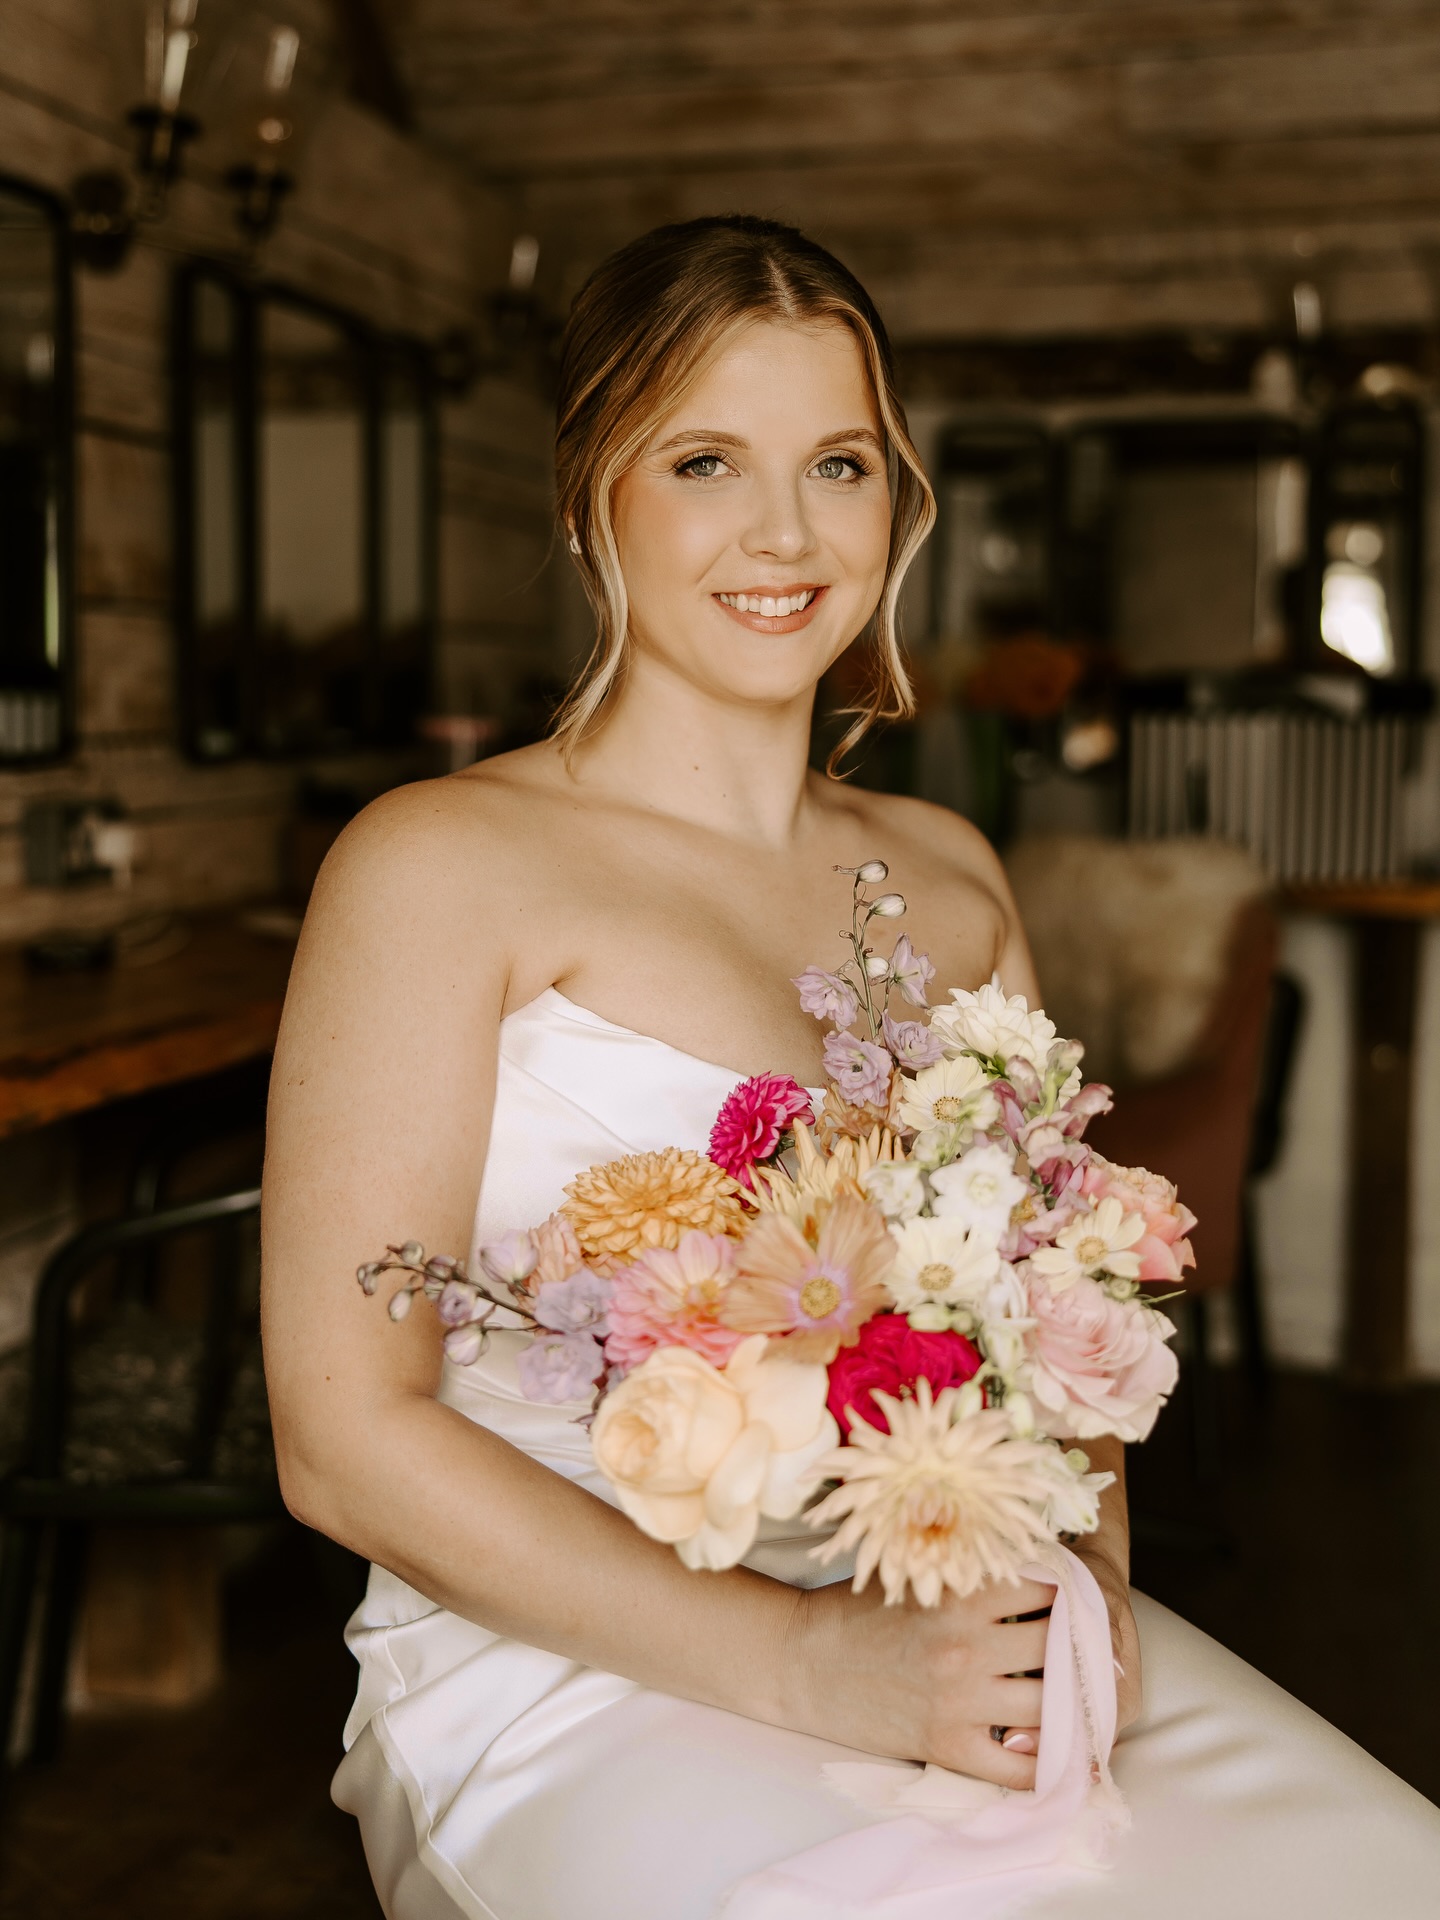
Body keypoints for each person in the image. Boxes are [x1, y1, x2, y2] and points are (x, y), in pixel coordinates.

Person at [261, 215, 1440, 1920]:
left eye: (839, 463)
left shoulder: (951, 875)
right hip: (576, 1661)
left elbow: (1056, 1317)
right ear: (596, 491)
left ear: (899, 499)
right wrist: (815, 1664)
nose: (786, 533)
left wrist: (1085, 1590)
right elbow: (341, 1435)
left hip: (959, 1609)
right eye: (705, 460)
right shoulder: (433, 864)